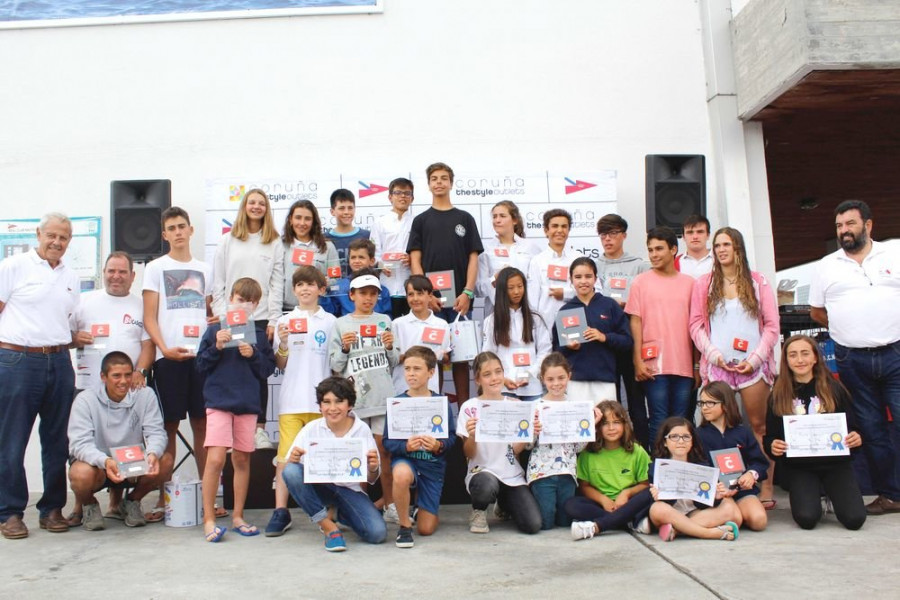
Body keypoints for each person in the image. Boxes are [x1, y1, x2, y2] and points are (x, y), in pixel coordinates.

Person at [809, 200, 900, 516]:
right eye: (839, 226)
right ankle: (891, 495)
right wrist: (849, 329)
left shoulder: (895, 252)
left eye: (850, 224)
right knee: (872, 430)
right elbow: (817, 311)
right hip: (852, 359)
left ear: (869, 225)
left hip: (895, 353)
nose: (844, 231)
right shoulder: (826, 265)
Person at [0, 213, 80, 539]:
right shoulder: (13, 267)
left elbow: (69, 324)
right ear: (38, 234)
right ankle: (10, 512)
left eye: (63, 238)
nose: (56, 242)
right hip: (18, 360)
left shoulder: (71, 277)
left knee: (57, 442)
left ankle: (52, 509)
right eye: (51, 235)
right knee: (12, 440)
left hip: (60, 360)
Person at [689, 226, 779, 506]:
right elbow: (695, 325)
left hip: (753, 369)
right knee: (715, 425)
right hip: (719, 368)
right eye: (717, 246)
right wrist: (714, 354)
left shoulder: (758, 281)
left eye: (726, 244)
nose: (721, 250)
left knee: (758, 427)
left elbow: (773, 325)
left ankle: (764, 487)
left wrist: (755, 359)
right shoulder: (704, 283)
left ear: (738, 248)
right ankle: (719, 487)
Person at [68, 251, 155, 525]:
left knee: (125, 442)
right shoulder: (84, 301)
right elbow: (61, 335)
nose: (115, 276)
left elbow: (147, 344)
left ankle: (118, 504)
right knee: (83, 450)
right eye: (111, 271)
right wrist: (73, 338)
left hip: (129, 387)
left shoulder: (141, 304)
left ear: (132, 276)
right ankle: (82, 506)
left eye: (122, 272)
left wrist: (140, 371)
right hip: (87, 388)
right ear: (103, 272)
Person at [142, 207, 217, 517]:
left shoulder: (206, 268)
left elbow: (211, 312)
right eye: (171, 228)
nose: (177, 232)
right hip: (168, 359)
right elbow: (149, 317)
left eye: (181, 226)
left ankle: (207, 497)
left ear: (191, 230)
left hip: (201, 359)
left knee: (203, 425)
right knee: (168, 427)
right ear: (164, 234)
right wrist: (163, 349)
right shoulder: (155, 268)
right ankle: (165, 497)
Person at [195, 277, 276, 542]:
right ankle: (208, 519)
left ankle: (238, 515)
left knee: (241, 459)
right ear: (230, 299)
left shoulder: (259, 334)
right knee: (216, 459)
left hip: (247, 403)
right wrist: (217, 347)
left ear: (257, 306)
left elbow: (267, 370)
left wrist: (253, 354)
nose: (244, 305)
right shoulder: (215, 328)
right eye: (240, 299)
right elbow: (200, 367)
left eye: (250, 302)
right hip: (218, 401)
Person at [763, 335, 866, 530]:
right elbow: (770, 437)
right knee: (807, 519)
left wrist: (855, 437)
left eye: (805, 354)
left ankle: (833, 494)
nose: (800, 360)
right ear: (786, 361)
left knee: (855, 520)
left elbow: (853, 427)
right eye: (793, 355)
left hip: (836, 464)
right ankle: (812, 494)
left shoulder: (834, 389)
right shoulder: (778, 394)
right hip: (800, 466)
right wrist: (773, 446)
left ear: (815, 358)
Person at [265, 266, 337, 537]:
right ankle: (281, 511)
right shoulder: (285, 321)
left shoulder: (330, 321)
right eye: (299, 285)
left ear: (321, 288)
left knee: (323, 456)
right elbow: (281, 363)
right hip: (292, 401)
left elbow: (335, 362)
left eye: (310, 284)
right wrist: (283, 343)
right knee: (285, 459)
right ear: (294, 290)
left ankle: (329, 509)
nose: (305, 289)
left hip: (324, 404)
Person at [211, 188, 284, 450]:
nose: (256, 207)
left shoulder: (274, 242)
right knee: (233, 370)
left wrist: (274, 319)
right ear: (244, 206)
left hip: (262, 318)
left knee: (259, 374)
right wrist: (223, 315)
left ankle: (259, 430)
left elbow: (277, 284)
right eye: (252, 202)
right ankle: (230, 431)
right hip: (232, 317)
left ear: (267, 208)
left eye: (261, 203)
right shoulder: (228, 240)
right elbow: (218, 281)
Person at [66, 352, 172, 531]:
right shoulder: (85, 400)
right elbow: (79, 444)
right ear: (103, 377)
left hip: (132, 464)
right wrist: (105, 461)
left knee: (165, 460)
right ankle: (90, 505)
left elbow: (156, 433)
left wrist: (153, 453)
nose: (123, 381)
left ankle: (131, 501)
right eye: (116, 375)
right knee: (80, 473)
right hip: (99, 466)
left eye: (128, 375)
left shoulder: (145, 395)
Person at [407, 162, 483, 405]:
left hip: (460, 301)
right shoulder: (421, 220)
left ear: (451, 182)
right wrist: (426, 295)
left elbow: (473, 257)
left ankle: (463, 419)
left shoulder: (465, 219)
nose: (439, 182)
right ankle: (433, 411)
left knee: (460, 359)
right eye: (434, 179)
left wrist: (468, 292)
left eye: (443, 178)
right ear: (428, 185)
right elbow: (415, 259)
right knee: (432, 358)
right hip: (432, 305)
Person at [281, 376, 385, 551]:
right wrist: (294, 459)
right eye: (326, 402)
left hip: (350, 490)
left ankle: (339, 513)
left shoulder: (362, 429)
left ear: (350, 404)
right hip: (320, 488)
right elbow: (291, 470)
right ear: (320, 406)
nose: (333, 408)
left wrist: (373, 468)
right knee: (291, 470)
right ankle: (328, 526)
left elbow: (371, 478)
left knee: (377, 534)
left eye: (339, 401)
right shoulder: (311, 429)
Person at [330, 271, 400, 519]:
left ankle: (391, 505)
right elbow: (336, 366)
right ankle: (357, 508)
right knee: (357, 455)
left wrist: (390, 346)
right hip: (356, 402)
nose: (368, 298)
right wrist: (346, 348)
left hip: (382, 398)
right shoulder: (340, 324)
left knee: (384, 453)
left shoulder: (385, 320)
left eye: (373, 294)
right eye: (363, 293)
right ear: (351, 295)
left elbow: (393, 362)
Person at [456, 352, 542, 534]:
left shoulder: (515, 404)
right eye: (487, 374)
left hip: (511, 475)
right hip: (483, 473)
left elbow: (514, 451)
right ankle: (479, 511)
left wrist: (529, 435)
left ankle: (503, 503)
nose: (494, 378)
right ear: (477, 380)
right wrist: (472, 436)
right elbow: (469, 454)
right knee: (486, 485)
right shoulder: (469, 407)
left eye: (498, 372)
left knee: (533, 525)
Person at [626, 226, 696, 445]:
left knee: (681, 421)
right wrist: (637, 360)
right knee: (658, 419)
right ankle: (658, 470)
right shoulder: (640, 282)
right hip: (653, 366)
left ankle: (679, 471)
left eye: (659, 249)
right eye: (650, 250)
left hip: (684, 366)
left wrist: (697, 365)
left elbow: (696, 327)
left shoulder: (691, 283)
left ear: (673, 249)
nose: (654, 254)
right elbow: (635, 321)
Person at [382, 346, 456, 548]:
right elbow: (387, 442)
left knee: (426, 529)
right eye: (407, 369)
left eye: (417, 369)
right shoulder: (397, 402)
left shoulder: (441, 402)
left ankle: (419, 508)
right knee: (401, 475)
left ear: (431, 372)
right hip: (407, 461)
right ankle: (404, 527)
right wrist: (406, 446)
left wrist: (438, 445)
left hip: (432, 466)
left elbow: (451, 438)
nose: (411, 374)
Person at [594, 214, 649, 445]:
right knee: (608, 401)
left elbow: (647, 302)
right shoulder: (593, 265)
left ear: (624, 235)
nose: (608, 239)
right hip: (604, 343)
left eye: (613, 233)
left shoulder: (639, 265)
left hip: (631, 340)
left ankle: (644, 452)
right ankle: (609, 450)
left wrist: (628, 304)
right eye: (604, 234)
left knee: (637, 402)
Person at [567, 400, 653, 540]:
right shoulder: (588, 453)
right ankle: (630, 523)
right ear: (597, 427)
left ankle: (599, 525)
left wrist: (626, 493)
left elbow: (645, 484)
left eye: (616, 422)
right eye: (605, 424)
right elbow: (584, 487)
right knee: (571, 504)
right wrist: (603, 500)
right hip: (602, 504)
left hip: (629, 503)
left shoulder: (637, 451)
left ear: (625, 425)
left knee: (652, 493)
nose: (611, 428)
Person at [553, 257, 632, 406]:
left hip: (606, 378)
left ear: (596, 278)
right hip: (576, 380)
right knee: (579, 425)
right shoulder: (565, 310)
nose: (583, 281)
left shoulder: (609, 305)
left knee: (606, 424)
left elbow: (627, 341)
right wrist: (568, 347)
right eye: (578, 277)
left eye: (588, 276)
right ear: (571, 280)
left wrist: (604, 337)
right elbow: (556, 349)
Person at [647, 417, 740, 541]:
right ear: (665, 442)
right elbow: (662, 503)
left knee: (729, 507)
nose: (681, 441)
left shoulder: (702, 467)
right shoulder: (656, 468)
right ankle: (710, 533)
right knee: (657, 508)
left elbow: (703, 503)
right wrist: (659, 496)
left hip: (694, 512)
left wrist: (715, 497)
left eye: (686, 437)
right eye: (674, 437)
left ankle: (677, 530)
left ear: (692, 442)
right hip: (671, 513)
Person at [696, 381, 769, 530]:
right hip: (717, 492)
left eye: (710, 403)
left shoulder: (742, 432)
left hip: (742, 489)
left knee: (759, 521)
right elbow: (698, 468)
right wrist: (718, 487)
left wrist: (751, 474)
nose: (704, 407)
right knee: (734, 517)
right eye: (701, 403)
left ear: (725, 404)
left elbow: (760, 462)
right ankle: (724, 516)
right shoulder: (698, 435)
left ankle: (731, 516)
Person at [526, 353, 587, 530]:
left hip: (567, 472)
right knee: (546, 522)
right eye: (550, 379)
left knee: (565, 522)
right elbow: (528, 446)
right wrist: (533, 432)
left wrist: (590, 428)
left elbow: (578, 448)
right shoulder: (535, 406)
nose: (556, 383)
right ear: (543, 379)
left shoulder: (576, 406)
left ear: (569, 376)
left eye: (561, 378)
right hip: (542, 474)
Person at [482, 267, 551, 401]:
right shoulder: (492, 321)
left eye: (520, 286)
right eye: (511, 287)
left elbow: (545, 350)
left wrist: (530, 374)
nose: (517, 291)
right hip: (503, 387)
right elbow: (488, 354)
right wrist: (502, 378)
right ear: (502, 290)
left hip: (532, 387)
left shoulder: (535, 318)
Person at [390, 275, 450, 398]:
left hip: (430, 388)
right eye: (411, 294)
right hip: (402, 387)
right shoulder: (397, 324)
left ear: (430, 296)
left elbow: (445, 358)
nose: (415, 298)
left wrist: (437, 355)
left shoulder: (441, 324)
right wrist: (413, 357)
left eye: (420, 293)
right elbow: (393, 358)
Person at [477, 200, 540, 316]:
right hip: (497, 316)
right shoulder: (486, 250)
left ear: (515, 220)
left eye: (502, 216)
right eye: (494, 217)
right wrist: (494, 279)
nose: (497, 220)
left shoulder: (530, 247)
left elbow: (538, 283)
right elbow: (478, 290)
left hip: (526, 313)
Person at [280, 199, 339, 311]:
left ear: (313, 222)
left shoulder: (327, 246)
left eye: (307, 219)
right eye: (298, 217)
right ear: (290, 220)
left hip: (318, 308)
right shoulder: (280, 245)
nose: (302, 223)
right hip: (287, 310)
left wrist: (325, 281)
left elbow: (336, 278)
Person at [527, 208, 584, 325]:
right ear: (546, 231)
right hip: (545, 324)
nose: (559, 230)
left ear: (568, 230)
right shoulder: (537, 261)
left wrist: (566, 293)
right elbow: (532, 299)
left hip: (575, 322)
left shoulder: (579, 259)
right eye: (555, 226)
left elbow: (594, 290)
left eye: (564, 226)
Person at [371, 177, 415, 318]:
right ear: (390, 197)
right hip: (386, 286)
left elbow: (424, 253)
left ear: (412, 198)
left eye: (407, 193)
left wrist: (412, 260)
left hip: (410, 286)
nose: (402, 196)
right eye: (398, 192)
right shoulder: (380, 223)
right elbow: (373, 255)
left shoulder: (417, 222)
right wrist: (381, 265)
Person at [326, 241, 392, 317]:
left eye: (361, 257)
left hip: (374, 326)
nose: (356, 261)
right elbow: (331, 312)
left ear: (372, 261)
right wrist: (321, 294)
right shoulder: (339, 286)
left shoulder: (382, 290)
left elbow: (387, 318)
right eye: (353, 257)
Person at [325, 188, 370, 276]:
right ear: (332, 211)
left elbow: (375, 262)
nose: (346, 212)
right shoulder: (324, 239)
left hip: (362, 287)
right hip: (333, 287)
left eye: (350, 208)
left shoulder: (366, 236)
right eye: (341, 208)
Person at [677, 214, 713, 278]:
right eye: (690, 232)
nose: (695, 237)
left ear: (708, 235)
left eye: (700, 232)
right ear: (683, 237)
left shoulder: (718, 260)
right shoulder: (675, 263)